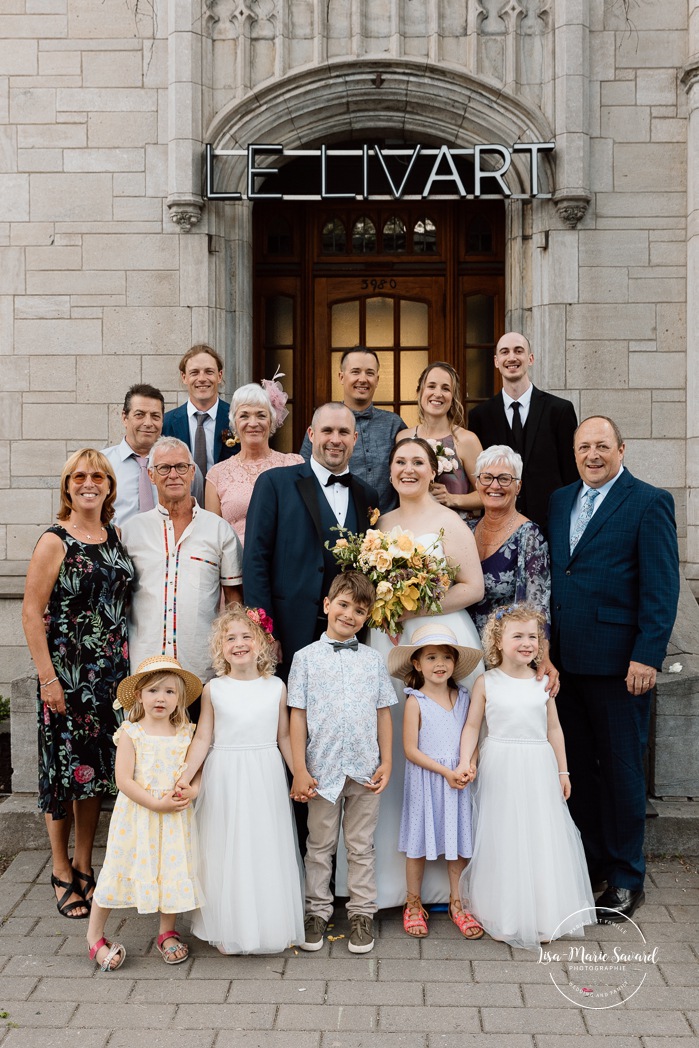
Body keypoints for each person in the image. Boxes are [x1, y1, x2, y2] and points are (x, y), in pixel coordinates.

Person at [336, 436, 484, 909]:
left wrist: (418, 602)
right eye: (400, 461)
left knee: (441, 737)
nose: (407, 469)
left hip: (439, 639)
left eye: (417, 461)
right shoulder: (382, 524)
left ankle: (447, 881)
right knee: (391, 736)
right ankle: (388, 882)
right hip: (390, 642)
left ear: (432, 470)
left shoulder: (449, 522)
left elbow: (473, 587)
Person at [548, 415, 680, 920]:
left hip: (621, 666)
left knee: (623, 773)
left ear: (622, 449)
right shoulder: (561, 500)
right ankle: (594, 865)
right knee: (578, 770)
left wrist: (647, 654)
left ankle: (628, 878)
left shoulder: (648, 502)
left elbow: (661, 587)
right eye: (585, 447)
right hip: (566, 665)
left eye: (603, 446)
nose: (593, 455)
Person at [22, 448, 134, 921]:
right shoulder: (55, 540)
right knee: (63, 774)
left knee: (96, 774)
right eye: (79, 476)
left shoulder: (115, 536)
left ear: (109, 486)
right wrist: (48, 678)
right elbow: (31, 613)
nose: (89, 483)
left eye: (98, 476)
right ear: (67, 486)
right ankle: (61, 868)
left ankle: (87, 862)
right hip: (66, 676)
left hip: (108, 677)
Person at [459, 604, 595, 951]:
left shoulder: (543, 683)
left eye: (532, 636)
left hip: (537, 765)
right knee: (503, 835)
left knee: (540, 834)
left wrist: (563, 771)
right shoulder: (486, 681)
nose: (526, 642)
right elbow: (473, 725)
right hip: (500, 764)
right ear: (498, 642)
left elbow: (554, 729)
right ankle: (504, 915)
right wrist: (465, 761)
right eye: (517, 636)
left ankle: (545, 914)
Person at [176, 605, 304, 954]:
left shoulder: (276, 687)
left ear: (262, 643)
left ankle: (267, 923)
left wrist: (299, 775)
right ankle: (227, 925)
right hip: (226, 775)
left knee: (263, 846)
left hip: (264, 775)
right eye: (230, 638)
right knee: (225, 848)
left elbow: (283, 737)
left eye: (247, 636)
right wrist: (185, 776)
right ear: (220, 647)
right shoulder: (214, 689)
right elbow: (203, 738)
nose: (239, 643)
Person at [288, 572, 397, 955]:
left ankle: (361, 913)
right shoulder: (304, 659)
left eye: (360, 610)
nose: (349, 614)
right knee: (319, 845)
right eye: (344, 605)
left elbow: (384, 712)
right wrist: (300, 769)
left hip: (365, 770)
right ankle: (316, 910)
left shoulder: (373, 660)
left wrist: (387, 760)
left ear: (367, 617)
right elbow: (297, 717)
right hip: (322, 771)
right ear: (327, 605)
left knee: (361, 846)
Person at [244, 402, 379, 681]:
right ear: (311, 434)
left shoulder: (367, 495)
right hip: (289, 632)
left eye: (343, 432)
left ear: (354, 439)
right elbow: (255, 561)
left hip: (349, 634)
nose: (335, 439)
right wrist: (266, 633)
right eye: (327, 430)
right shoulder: (274, 484)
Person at [85, 656, 204, 971]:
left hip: (174, 817)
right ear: (139, 695)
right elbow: (123, 780)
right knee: (118, 868)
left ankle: (166, 931)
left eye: (169, 692)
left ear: (179, 699)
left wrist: (194, 789)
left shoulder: (185, 732)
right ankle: (94, 936)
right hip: (137, 818)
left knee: (171, 868)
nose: (160, 698)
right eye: (153, 691)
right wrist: (156, 804)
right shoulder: (131, 733)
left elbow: (197, 770)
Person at [386, 625, 484, 940]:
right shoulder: (415, 700)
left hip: (458, 780)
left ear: (455, 663)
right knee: (418, 842)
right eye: (431, 657)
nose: (439, 663)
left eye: (445, 657)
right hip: (427, 781)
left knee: (458, 843)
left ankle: (458, 902)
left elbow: (472, 736)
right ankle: (413, 904)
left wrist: (469, 765)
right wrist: (445, 772)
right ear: (417, 663)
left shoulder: (464, 696)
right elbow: (410, 750)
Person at [121, 436, 243, 684]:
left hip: (201, 671)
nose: (173, 475)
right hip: (144, 671)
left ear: (192, 472)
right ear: (151, 476)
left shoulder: (219, 530)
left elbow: (234, 602)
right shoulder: (131, 532)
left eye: (180, 467)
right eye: (164, 468)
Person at [468, 332, 578, 535]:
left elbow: (572, 474)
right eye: (504, 352)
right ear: (496, 361)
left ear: (530, 358)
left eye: (519, 351)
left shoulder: (560, 410)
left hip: (552, 524)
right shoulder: (480, 416)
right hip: (498, 527)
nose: (512, 358)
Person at [467, 445, 557, 688]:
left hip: (504, 659)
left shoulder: (529, 535)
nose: (494, 485)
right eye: (487, 477)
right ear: (477, 483)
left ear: (518, 486)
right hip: (464, 653)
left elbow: (538, 604)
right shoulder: (466, 529)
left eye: (504, 478)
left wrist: (542, 657)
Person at [300, 348, 407, 511]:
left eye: (370, 373)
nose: (363, 379)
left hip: (389, 525)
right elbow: (306, 472)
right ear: (341, 377)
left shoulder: (393, 424)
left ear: (377, 379)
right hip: (340, 522)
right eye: (355, 372)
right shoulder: (324, 422)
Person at [205, 378, 303, 545]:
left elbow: (304, 522)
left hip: (283, 563)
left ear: (271, 421)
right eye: (244, 415)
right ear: (234, 423)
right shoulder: (217, 474)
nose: (253, 423)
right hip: (235, 566)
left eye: (261, 415)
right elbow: (212, 537)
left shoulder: (293, 464)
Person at [103, 383, 203, 525]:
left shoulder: (185, 467)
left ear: (162, 420)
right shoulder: (101, 465)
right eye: (140, 415)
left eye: (155, 416)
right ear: (125, 418)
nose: (148, 423)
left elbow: (197, 511)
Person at [401, 361, 482, 517]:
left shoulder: (467, 440)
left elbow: (487, 492)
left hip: (454, 531)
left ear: (452, 397)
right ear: (419, 392)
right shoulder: (404, 437)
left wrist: (453, 499)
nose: (437, 394)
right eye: (431, 386)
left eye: (445, 388)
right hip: (413, 531)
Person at [162, 344, 236, 477]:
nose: (202, 379)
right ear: (184, 377)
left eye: (209, 371)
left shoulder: (236, 418)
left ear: (219, 376)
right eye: (194, 372)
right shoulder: (166, 423)